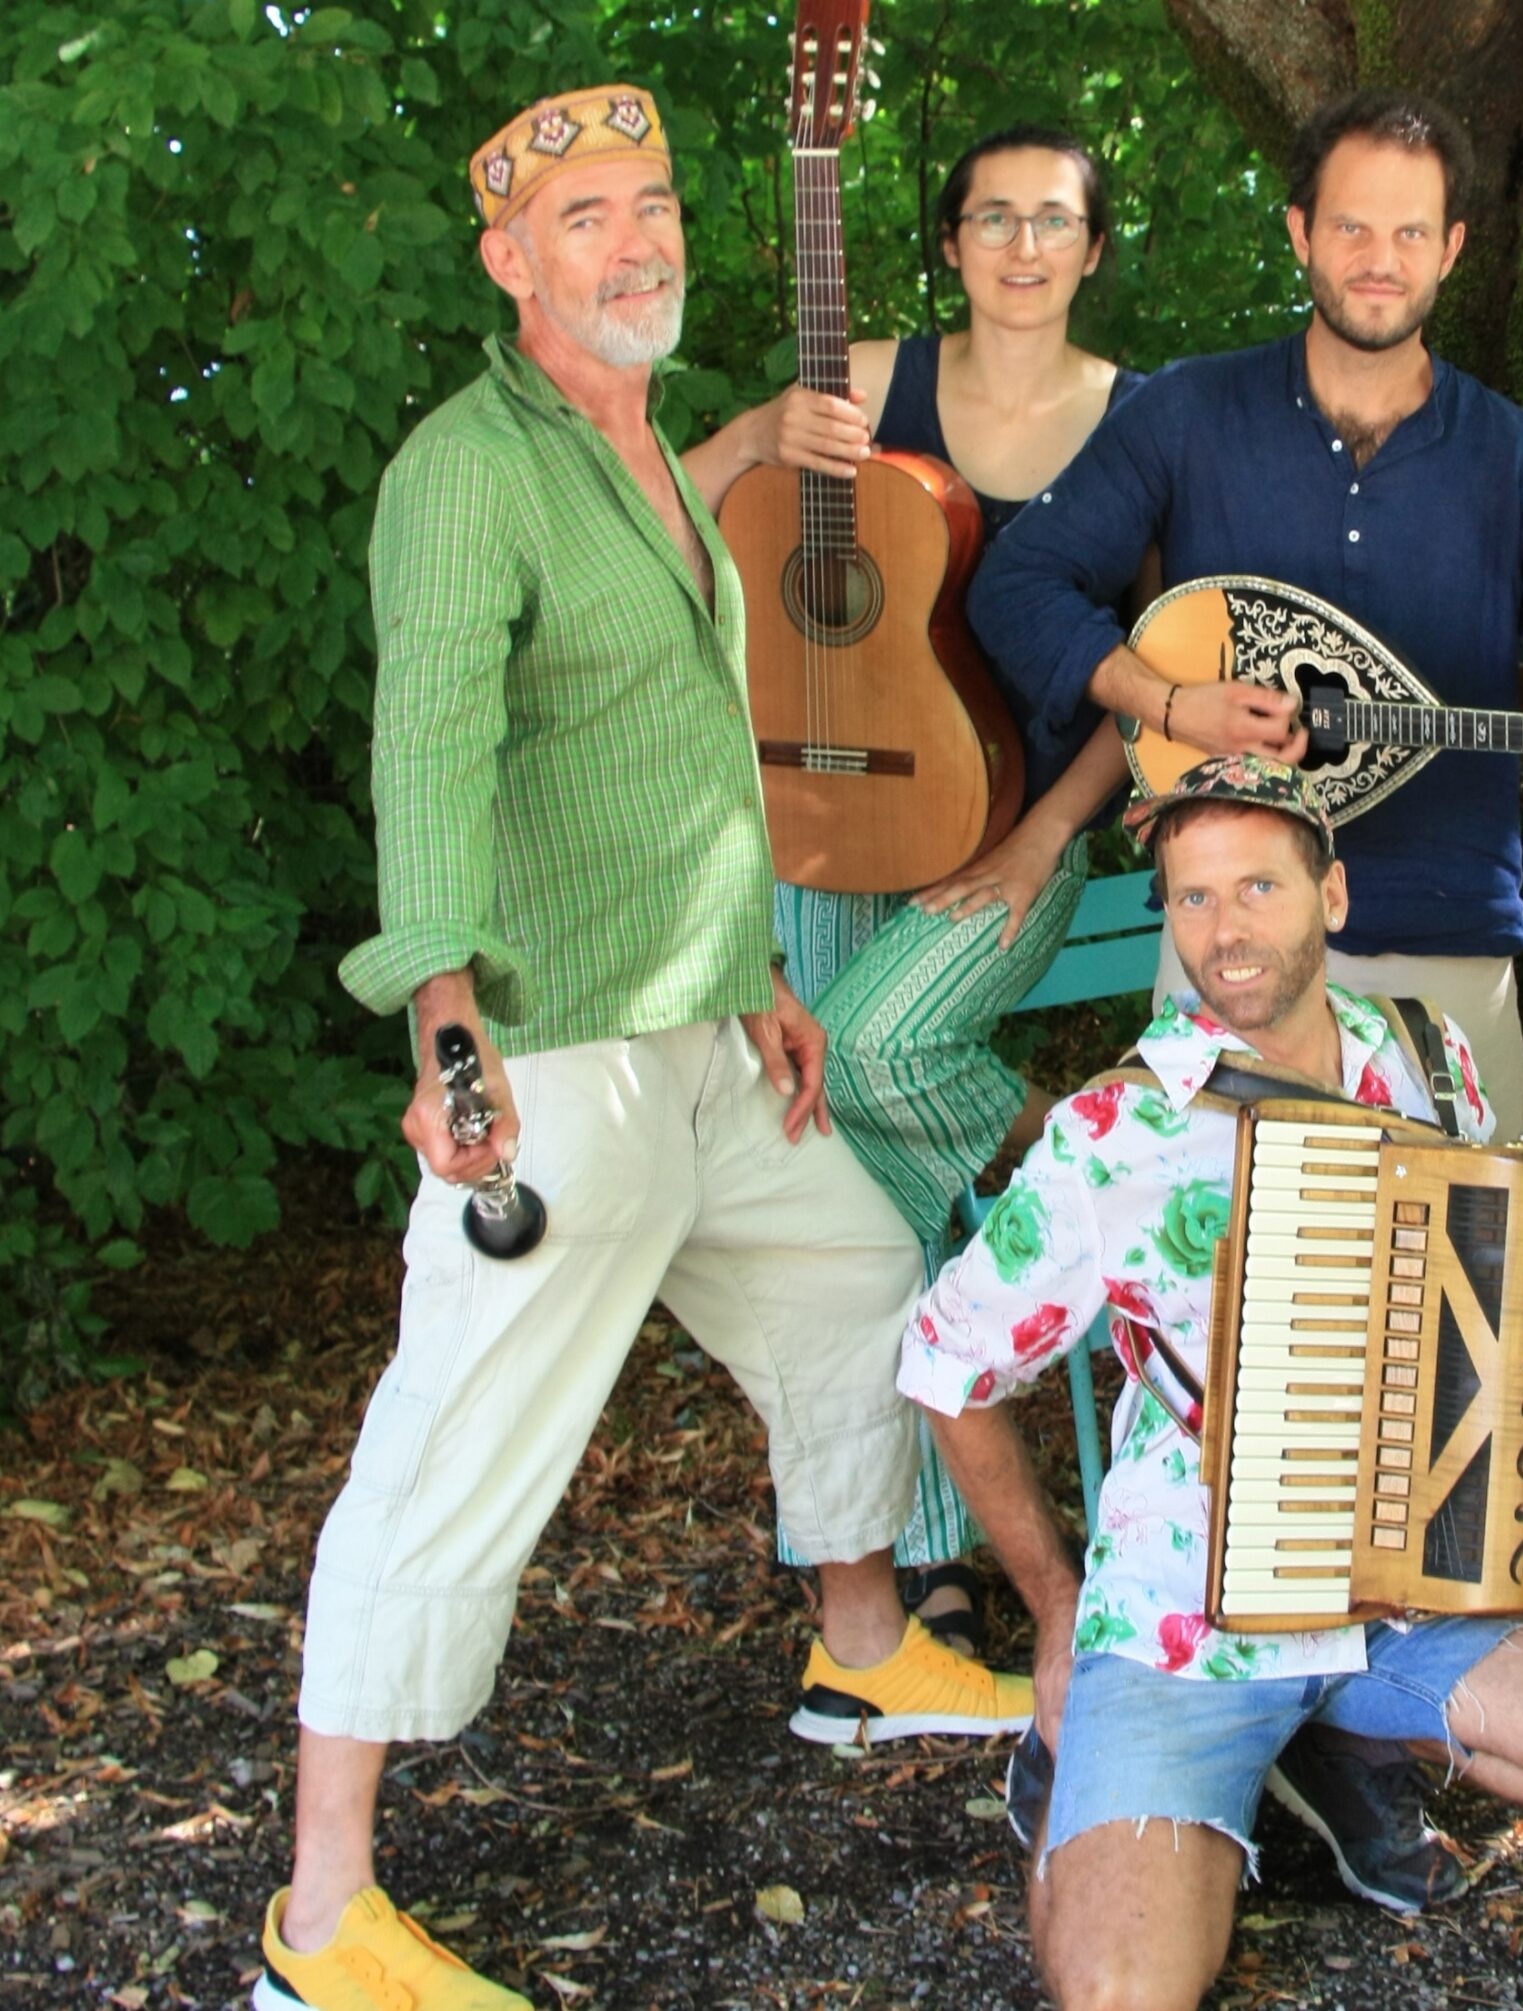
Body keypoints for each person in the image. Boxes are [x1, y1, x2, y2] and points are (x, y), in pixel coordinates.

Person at [255, 88, 1025, 2011]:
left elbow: (682, 751)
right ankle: (322, 1920)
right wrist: (444, 1020)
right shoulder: (466, 474)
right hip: (555, 1054)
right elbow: (430, 750)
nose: (637, 241)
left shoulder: (645, 456)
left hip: (699, 1028)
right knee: (456, 1444)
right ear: (510, 261)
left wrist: (758, 963)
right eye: (586, 217)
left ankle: (865, 1646)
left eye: (654, 204)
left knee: (856, 1278)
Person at [896, 754, 1523, 2011]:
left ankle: (1336, 1736)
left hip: (1411, 1586)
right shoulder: (1111, 1135)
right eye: (1193, 898)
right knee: (1122, 1996)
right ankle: (1097, 1773)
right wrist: (1057, 1612)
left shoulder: (1424, 1054)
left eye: (1258, 887)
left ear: (1331, 896)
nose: (1224, 931)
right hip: (1188, 1619)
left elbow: (1498, 1262)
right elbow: (944, 1366)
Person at [967, 90, 1523, 1139]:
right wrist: (1169, 702)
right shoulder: (1189, 413)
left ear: (1452, 247)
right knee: (1220, 1239)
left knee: (1471, 1247)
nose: (1381, 259)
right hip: (1230, 933)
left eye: (1411, 232)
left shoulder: (1513, 454)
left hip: (1446, 951)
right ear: (1300, 232)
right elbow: (1018, 583)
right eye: (1353, 227)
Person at [681, 124, 1142, 1671]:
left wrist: (1042, 841)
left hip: (1021, 824)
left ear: (1092, 246)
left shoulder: (1138, 420)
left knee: (869, 1061)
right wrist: (758, 432)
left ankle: (1065, 1139)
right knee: (836, 1159)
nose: (1022, 245)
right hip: (828, 812)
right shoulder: (874, 379)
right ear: (950, 242)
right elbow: (666, 508)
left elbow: (1162, 664)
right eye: (991, 217)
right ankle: (916, 1555)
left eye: (1052, 219)